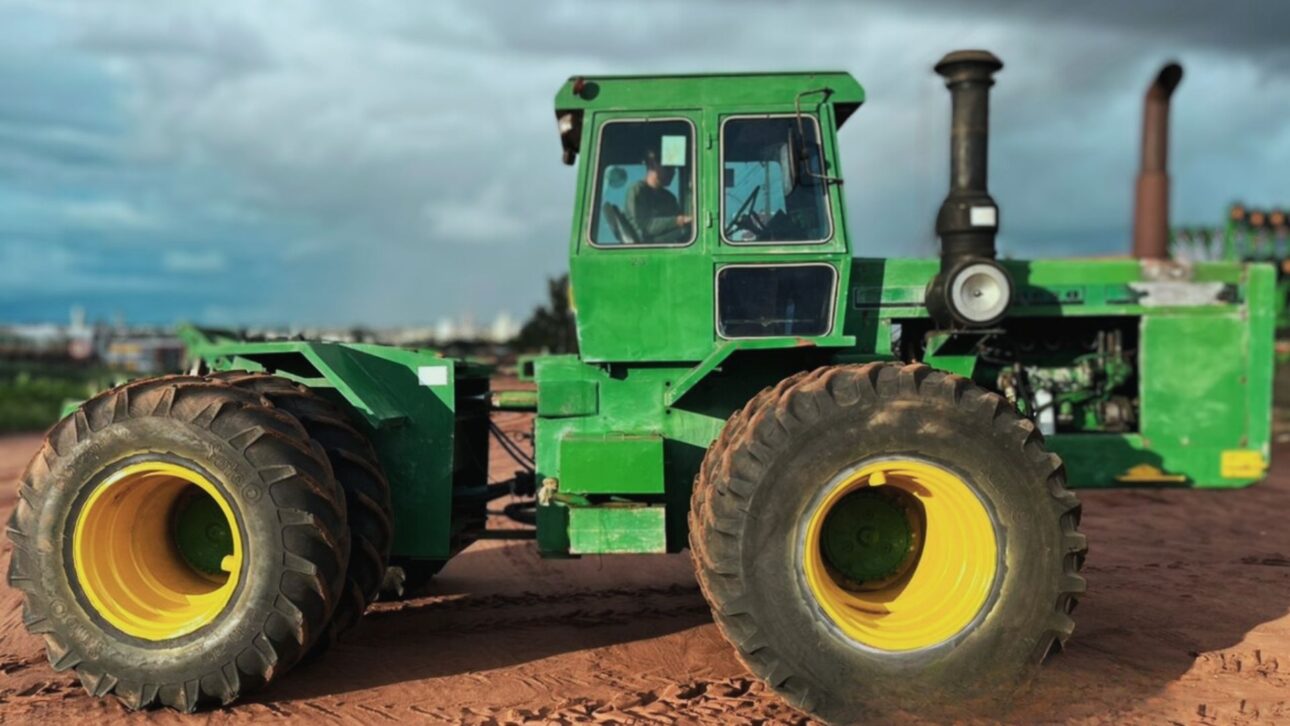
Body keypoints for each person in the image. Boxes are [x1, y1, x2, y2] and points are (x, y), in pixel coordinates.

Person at [625, 151, 692, 243]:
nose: (673, 173)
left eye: (674, 169)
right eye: (668, 168)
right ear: (652, 164)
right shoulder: (638, 191)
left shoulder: (669, 198)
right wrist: (678, 221)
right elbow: (642, 227)